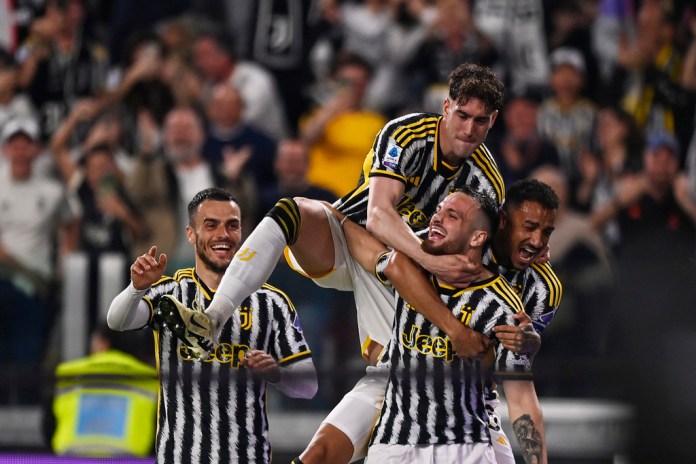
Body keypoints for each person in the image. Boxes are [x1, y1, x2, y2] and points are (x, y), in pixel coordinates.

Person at [166, 63, 507, 462]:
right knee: (291, 212)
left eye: (480, 122)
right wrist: (430, 264)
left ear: (492, 121)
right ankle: (213, 316)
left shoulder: (486, 185)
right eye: (462, 116)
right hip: (355, 242)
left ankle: (397, 359)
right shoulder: (409, 134)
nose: (468, 130)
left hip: (404, 291)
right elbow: (379, 215)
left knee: (325, 447)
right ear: (446, 107)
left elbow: (476, 276)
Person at [106, 187, 317, 463]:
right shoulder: (171, 292)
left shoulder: (272, 302)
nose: (223, 235)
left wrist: (275, 372)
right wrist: (136, 289)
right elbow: (116, 321)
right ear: (191, 234)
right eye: (211, 225)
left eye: (232, 226)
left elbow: (309, 386)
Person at [342, 188, 547, 463]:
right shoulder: (411, 262)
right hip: (393, 444)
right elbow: (351, 232)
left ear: (477, 237)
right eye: (439, 210)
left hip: (463, 448)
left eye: (452, 216)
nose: (437, 218)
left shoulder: (500, 305)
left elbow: (521, 397)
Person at [46, 323, 158, 457]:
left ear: (102, 344)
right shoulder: (150, 379)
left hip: (73, 458)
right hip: (128, 459)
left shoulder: (68, 373)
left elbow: (49, 427)